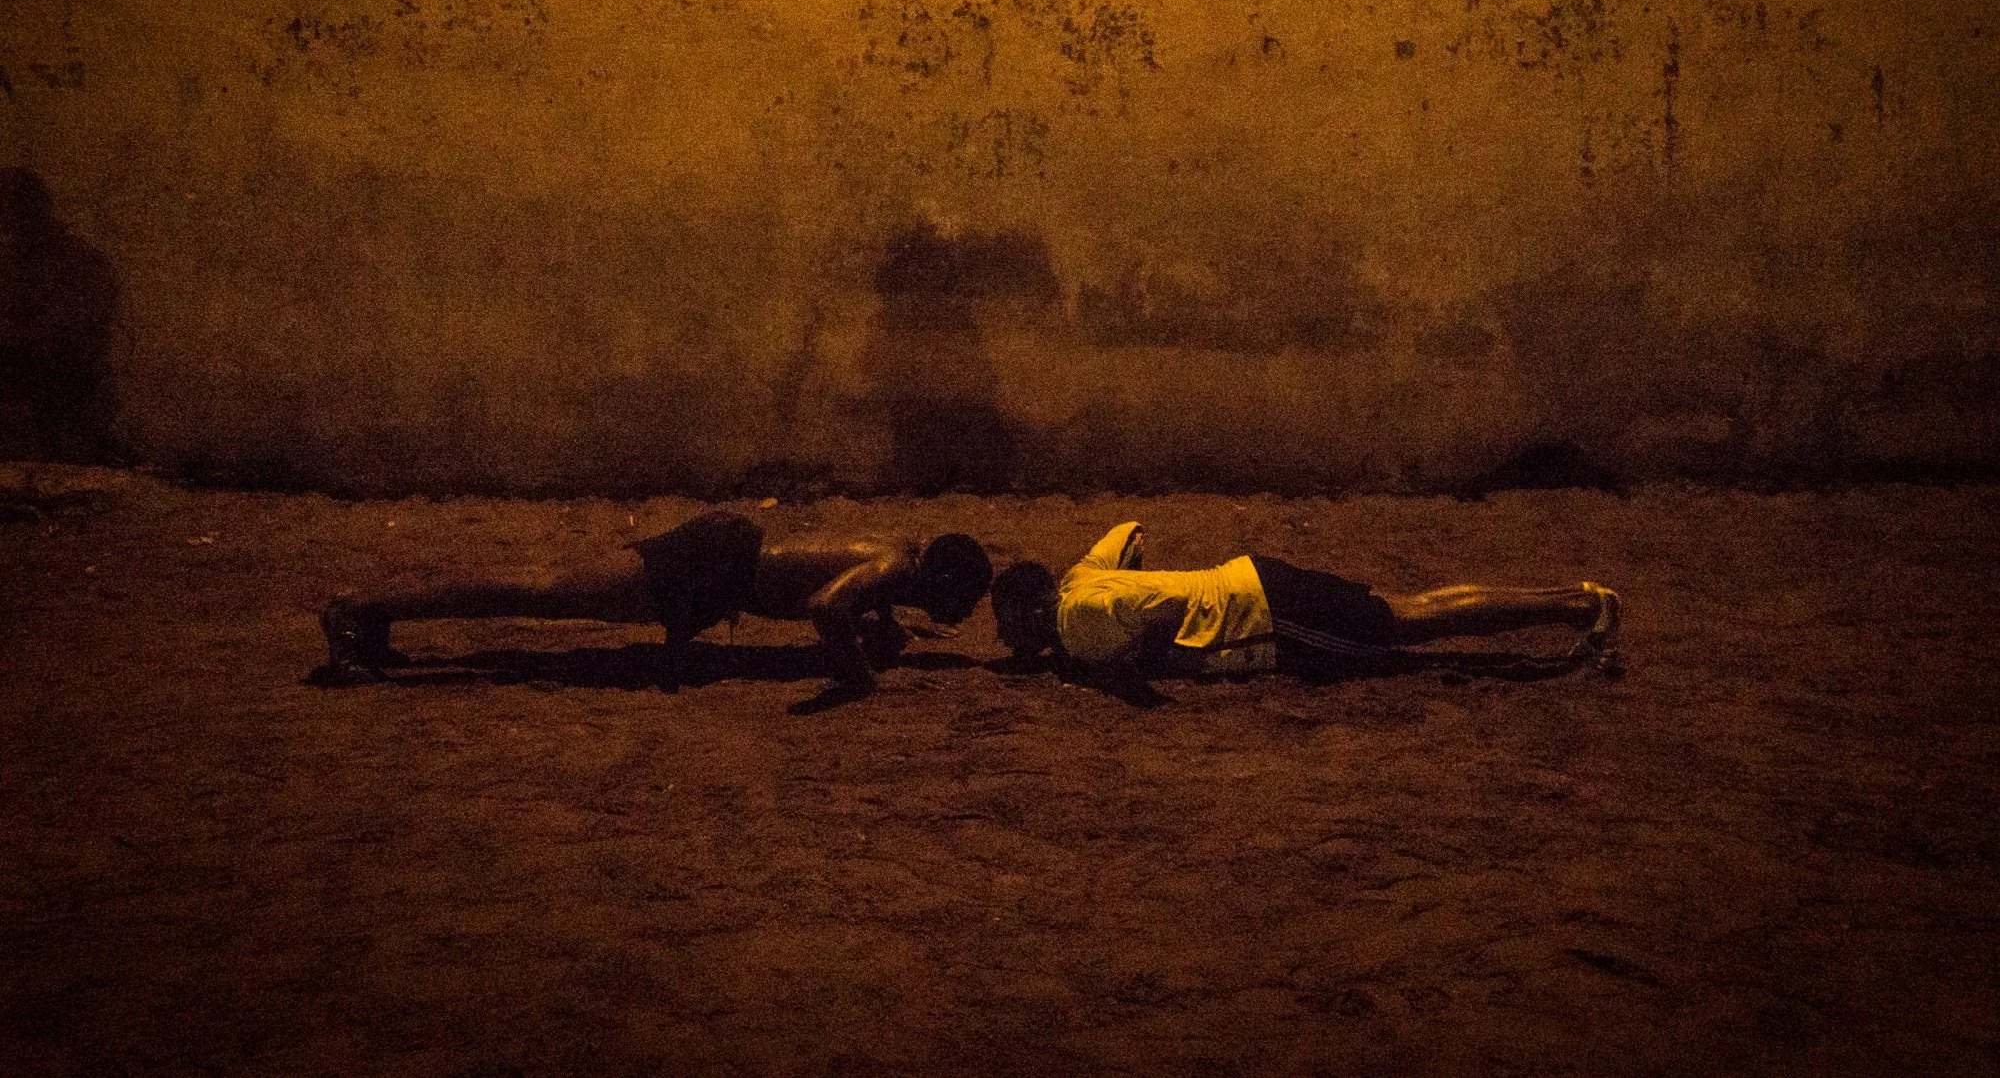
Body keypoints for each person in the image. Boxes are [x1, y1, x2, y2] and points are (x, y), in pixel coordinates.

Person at [320, 510, 992, 693]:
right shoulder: (891, 566)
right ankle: (361, 606)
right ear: (941, 584)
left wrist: (889, 630)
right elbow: (825, 607)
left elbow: (851, 594)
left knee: (547, 595)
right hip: (714, 566)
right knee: (545, 594)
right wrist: (857, 677)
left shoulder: (898, 557)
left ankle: (380, 611)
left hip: (724, 557)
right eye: (960, 605)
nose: (962, 619)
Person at [990, 522, 1621, 684]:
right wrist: (1131, 585)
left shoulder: (1075, 625)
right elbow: (1128, 532)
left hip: (1264, 614)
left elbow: (1157, 618)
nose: (1002, 638)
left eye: (1004, 625)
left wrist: (1131, 661)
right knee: (1407, 608)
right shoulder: (1080, 579)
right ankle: (1574, 600)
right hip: (1253, 573)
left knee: (1406, 626)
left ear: (1028, 612)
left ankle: (1577, 604)